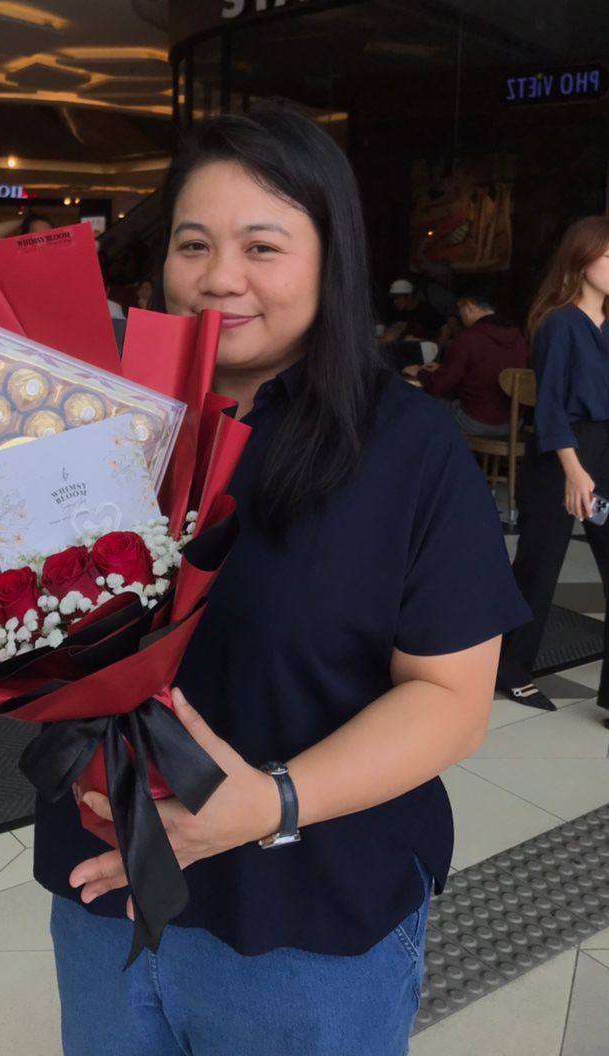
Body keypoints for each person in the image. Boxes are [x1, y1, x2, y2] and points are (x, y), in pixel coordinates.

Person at [34, 104, 528, 1055]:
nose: (220, 277)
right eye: (193, 244)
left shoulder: (407, 449)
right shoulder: (97, 422)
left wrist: (272, 802)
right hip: (105, 891)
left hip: (307, 923)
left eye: (262, 246)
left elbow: (452, 701)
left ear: (331, 257)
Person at [499, 217, 609, 716]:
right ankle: (511, 671)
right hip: (563, 456)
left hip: (605, 452)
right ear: (581, 260)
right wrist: (573, 470)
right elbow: (550, 408)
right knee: (538, 570)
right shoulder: (558, 323)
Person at [404, 285, 528, 437]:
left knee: (419, 402)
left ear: (469, 307)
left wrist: (419, 372)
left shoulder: (469, 337)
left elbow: (440, 384)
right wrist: (443, 369)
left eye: (460, 309)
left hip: (475, 421)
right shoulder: (518, 337)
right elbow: (482, 370)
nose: (460, 315)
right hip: (513, 423)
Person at [380, 278, 445, 345]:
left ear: (409, 296)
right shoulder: (397, 311)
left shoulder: (426, 310)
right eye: (393, 299)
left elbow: (445, 329)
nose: (395, 302)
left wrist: (438, 349)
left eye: (397, 298)